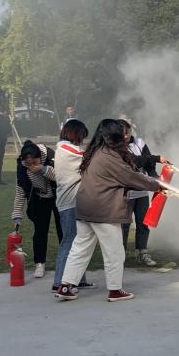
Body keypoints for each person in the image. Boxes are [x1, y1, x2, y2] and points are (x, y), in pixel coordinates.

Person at [57, 119, 165, 303]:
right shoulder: (109, 156)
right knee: (115, 253)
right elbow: (130, 176)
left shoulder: (94, 152)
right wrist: (158, 185)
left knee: (80, 249)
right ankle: (115, 290)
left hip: (85, 209)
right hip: (103, 211)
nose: (125, 137)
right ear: (113, 136)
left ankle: (66, 286)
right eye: (121, 135)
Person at [118, 116, 167, 266]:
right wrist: (156, 158)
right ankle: (120, 256)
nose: (126, 136)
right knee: (124, 225)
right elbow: (137, 160)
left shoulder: (140, 143)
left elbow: (148, 163)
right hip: (125, 192)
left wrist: (155, 178)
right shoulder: (116, 147)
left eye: (127, 132)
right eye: (122, 133)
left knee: (143, 223)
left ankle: (142, 253)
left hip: (141, 192)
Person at [51, 119, 93, 293]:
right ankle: (59, 281)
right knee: (69, 241)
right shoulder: (65, 148)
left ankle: (78, 279)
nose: (82, 140)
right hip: (70, 202)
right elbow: (89, 156)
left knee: (78, 242)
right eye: (82, 136)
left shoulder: (65, 148)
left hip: (73, 201)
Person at [11, 140, 62, 279]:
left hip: (59, 197)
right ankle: (40, 263)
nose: (31, 166)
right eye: (28, 164)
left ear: (40, 157)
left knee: (63, 230)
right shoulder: (22, 167)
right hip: (40, 199)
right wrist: (17, 215)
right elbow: (21, 190)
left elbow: (62, 178)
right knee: (40, 231)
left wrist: (43, 169)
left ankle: (67, 262)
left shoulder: (51, 156)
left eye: (34, 162)